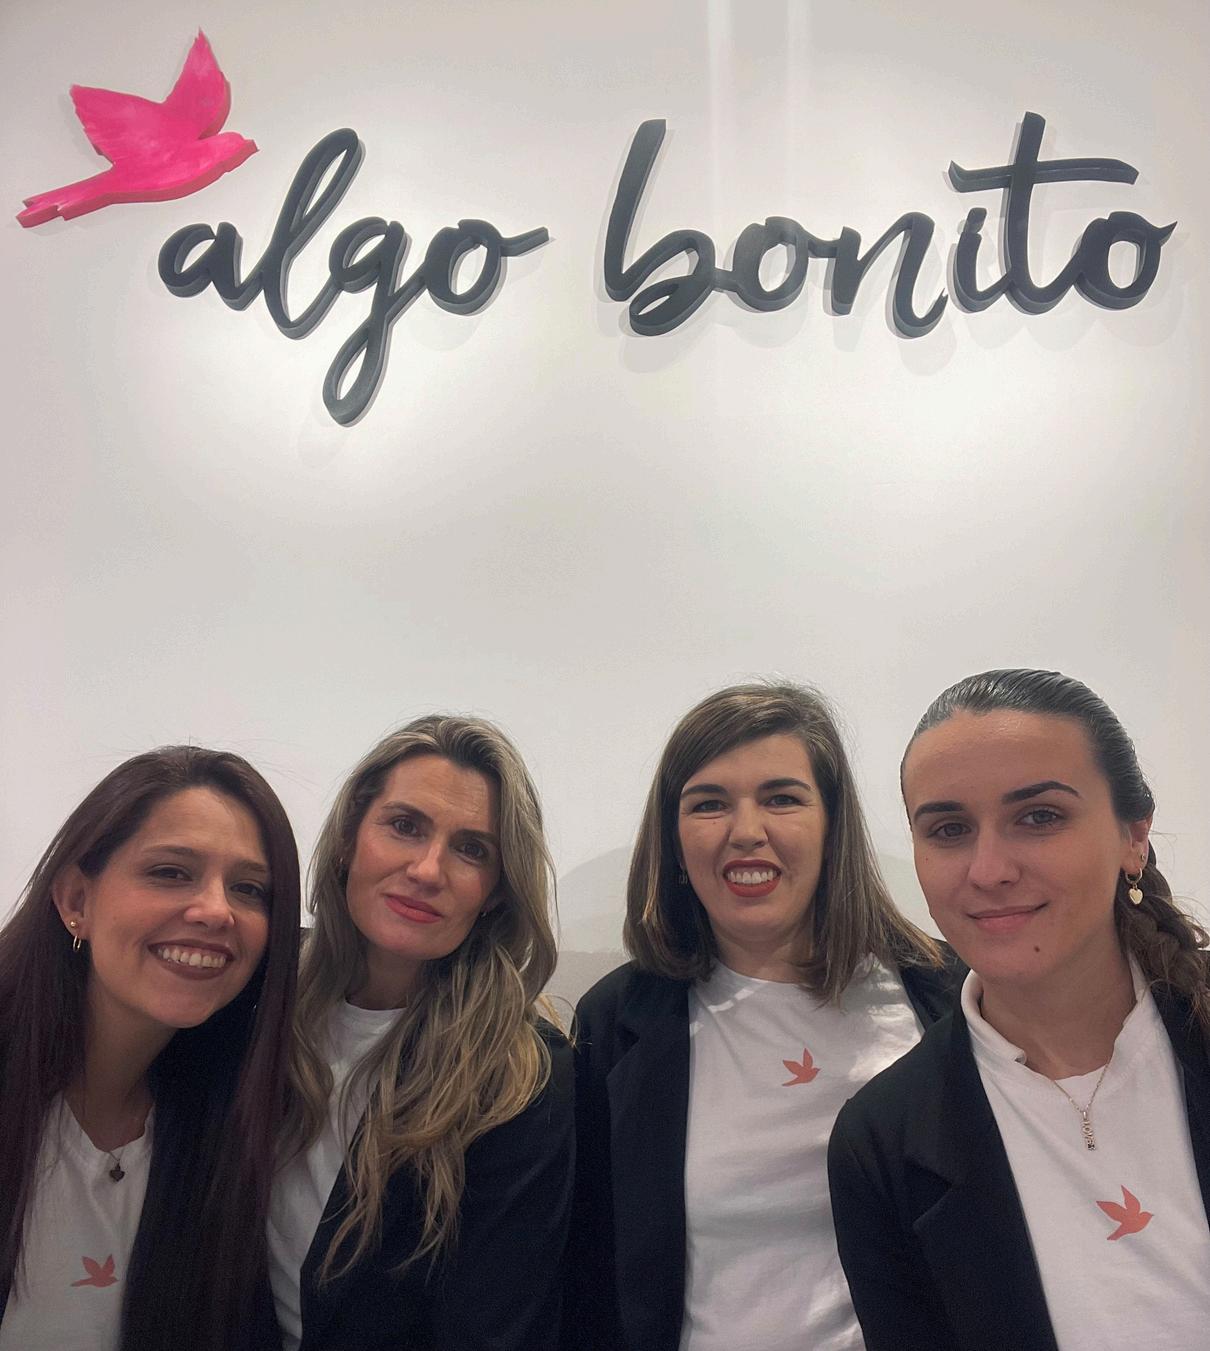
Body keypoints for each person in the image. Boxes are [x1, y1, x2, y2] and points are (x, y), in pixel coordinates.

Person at [567, 681, 958, 1351]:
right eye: (709, 803)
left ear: (832, 826)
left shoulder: (949, 998)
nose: (746, 832)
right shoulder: (613, 1026)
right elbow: (587, 1276)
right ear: (674, 841)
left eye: (781, 798)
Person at [828, 668, 1210, 1351]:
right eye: (949, 829)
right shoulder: (882, 1140)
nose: (989, 869)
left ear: (1133, 835)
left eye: (1039, 817)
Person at [269, 714, 574, 1351]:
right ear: (349, 838)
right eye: (405, 826)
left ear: (496, 892)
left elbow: (491, 1331)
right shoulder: (260, 1005)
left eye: (472, 849)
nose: (428, 870)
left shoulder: (520, 1075)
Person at [0, 745, 301, 1351]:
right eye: (170, 872)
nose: (216, 910)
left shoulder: (228, 1131)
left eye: (249, 889)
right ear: (76, 901)